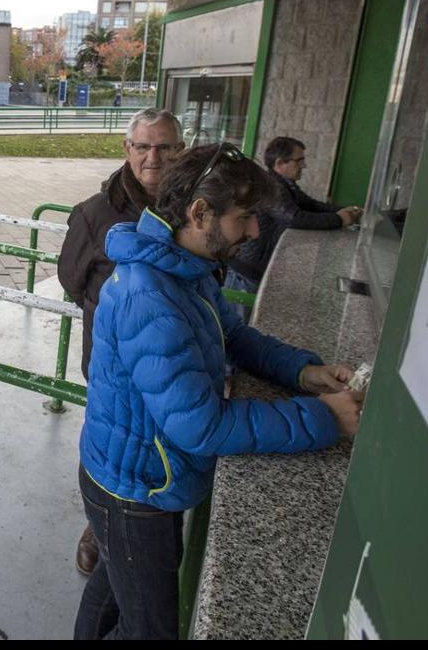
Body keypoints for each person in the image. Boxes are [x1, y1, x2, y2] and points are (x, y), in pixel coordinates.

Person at [74, 143, 365, 640]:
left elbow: (232, 334)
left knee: (117, 588)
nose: (253, 231)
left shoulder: (184, 268)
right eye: (245, 218)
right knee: (150, 628)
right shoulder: (151, 296)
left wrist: (303, 372)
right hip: (135, 488)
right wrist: (323, 419)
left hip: (145, 476)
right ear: (199, 212)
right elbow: (202, 425)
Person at [58, 107, 184, 576]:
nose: (154, 157)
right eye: (143, 146)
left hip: (177, 358)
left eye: (165, 146)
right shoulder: (96, 214)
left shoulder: (196, 208)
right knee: (114, 444)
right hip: (114, 362)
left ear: (181, 150)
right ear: (127, 150)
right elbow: (72, 279)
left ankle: (158, 513)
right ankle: (100, 526)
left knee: (167, 438)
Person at [226, 137, 363, 314]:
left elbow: (312, 205)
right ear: (280, 163)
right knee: (237, 328)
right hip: (245, 274)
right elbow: (294, 218)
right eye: (299, 160)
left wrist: (346, 211)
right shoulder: (272, 187)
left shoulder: (286, 186)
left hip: (255, 271)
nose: (303, 166)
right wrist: (339, 219)